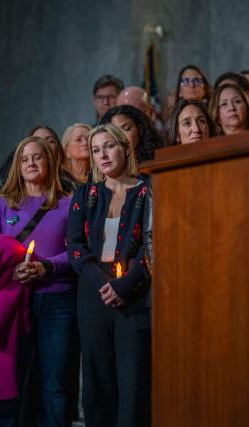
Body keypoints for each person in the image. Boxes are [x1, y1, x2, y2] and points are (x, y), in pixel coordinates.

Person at [0, 135, 75, 427]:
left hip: (57, 299)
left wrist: (47, 268)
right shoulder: (2, 204)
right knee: (10, 378)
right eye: (24, 158)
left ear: (50, 161)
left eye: (37, 157)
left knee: (54, 381)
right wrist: (12, 272)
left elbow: (78, 251)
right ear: (17, 167)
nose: (31, 163)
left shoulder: (69, 204)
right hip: (12, 299)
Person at [67, 123, 151, 427]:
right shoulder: (85, 193)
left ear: (125, 149)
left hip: (135, 291)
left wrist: (125, 284)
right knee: (97, 382)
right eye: (95, 149)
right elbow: (75, 247)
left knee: (133, 381)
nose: (102, 154)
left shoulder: (148, 189)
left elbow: (153, 246)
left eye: (109, 146)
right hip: (93, 291)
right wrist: (105, 285)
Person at [99, 105, 164, 162]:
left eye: (126, 129)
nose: (120, 136)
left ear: (140, 129)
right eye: (114, 132)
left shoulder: (160, 157)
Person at [29, 125, 76, 193]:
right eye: (37, 141)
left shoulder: (72, 186)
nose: (45, 144)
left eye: (50, 141)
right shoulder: (18, 186)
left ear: (58, 150)